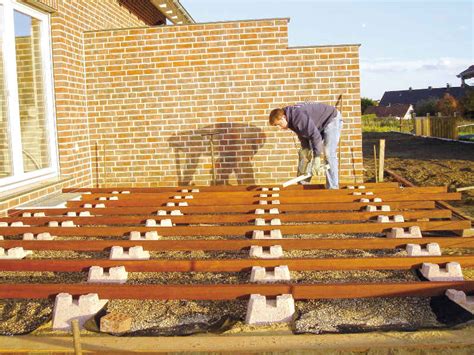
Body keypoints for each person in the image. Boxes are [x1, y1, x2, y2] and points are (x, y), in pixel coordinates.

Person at [269, 102, 343, 189]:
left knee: (329, 152)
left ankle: (333, 187)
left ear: (283, 117)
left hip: (331, 119)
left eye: (278, 124)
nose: (279, 128)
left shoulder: (297, 116)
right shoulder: (291, 118)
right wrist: (306, 150)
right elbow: (303, 135)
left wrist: (317, 158)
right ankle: (303, 184)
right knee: (305, 153)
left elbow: (315, 136)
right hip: (318, 125)